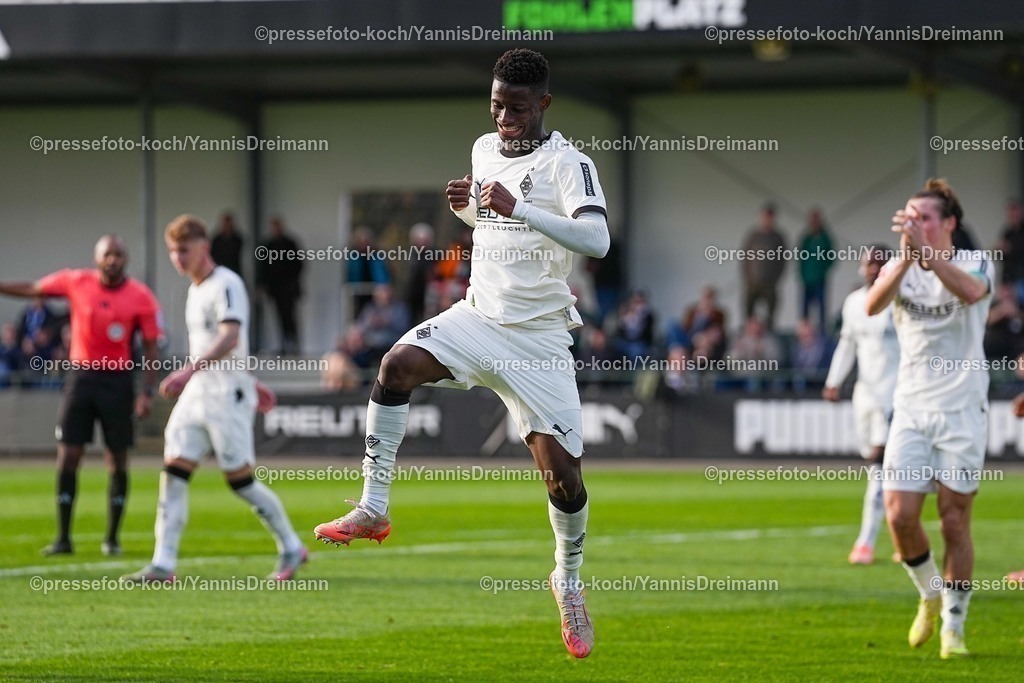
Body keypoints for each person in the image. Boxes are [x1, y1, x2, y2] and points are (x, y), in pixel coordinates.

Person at [314, 48, 608, 659]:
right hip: (478, 319)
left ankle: (569, 582)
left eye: (518, 108)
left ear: (544, 105)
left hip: (539, 340)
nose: (505, 117)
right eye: (497, 105)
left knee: (564, 482)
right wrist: (466, 209)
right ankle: (372, 505)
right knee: (394, 367)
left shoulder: (569, 163)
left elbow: (597, 238)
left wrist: (515, 206)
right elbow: (489, 221)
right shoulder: (481, 148)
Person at [124, 215, 306, 584]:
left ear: (203, 246)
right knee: (173, 472)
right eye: (173, 251)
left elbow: (229, 336)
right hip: (198, 395)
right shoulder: (194, 290)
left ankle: (291, 546)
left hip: (224, 395)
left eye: (183, 250)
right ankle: (163, 563)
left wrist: (192, 370)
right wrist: (248, 378)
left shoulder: (227, 283)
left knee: (240, 482)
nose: (177, 258)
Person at [866, 179, 994, 659]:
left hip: (962, 409)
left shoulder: (973, 263)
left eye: (924, 217)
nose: (914, 223)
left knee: (954, 522)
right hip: (912, 408)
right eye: (909, 216)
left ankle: (954, 626)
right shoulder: (901, 268)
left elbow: (972, 292)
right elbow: (871, 305)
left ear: (949, 224)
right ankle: (928, 593)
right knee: (899, 516)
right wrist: (905, 258)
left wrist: (928, 255)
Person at [0, 236, 162, 556]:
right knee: (68, 455)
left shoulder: (140, 297)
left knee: (116, 458)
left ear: (125, 260)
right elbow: (34, 289)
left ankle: (112, 538)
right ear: (97, 258)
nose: (112, 260)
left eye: (118, 255)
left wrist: (146, 391)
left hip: (117, 381)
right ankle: (63, 538)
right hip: (81, 378)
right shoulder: (77, 282)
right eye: (107, 254)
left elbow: (152, 347)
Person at [822, 245, 899, 565]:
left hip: (896, 394)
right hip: (864, 396)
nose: (873, 269)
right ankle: (906, 534)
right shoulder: (854, 303)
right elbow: (847, 343)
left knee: (878, 466)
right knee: (891, 470)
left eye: (880, 264)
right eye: (869, 263)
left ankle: (865, 541)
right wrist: (833, 380)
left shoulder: (901, 301)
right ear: (860, 267)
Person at [257, 216, 303, 354]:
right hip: (275, 288)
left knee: (290, 316)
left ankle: (293, 344)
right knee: (279, 317)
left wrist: (292, 281)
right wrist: (263, 285)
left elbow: (299, 264)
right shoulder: (268, 245)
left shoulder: (290, 244)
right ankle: (283, 345)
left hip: (288, 288)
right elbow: (263, 267)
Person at [741, 202, 787, 329]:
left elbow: (782, 260)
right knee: (748, 311)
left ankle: (769, 332)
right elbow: (745, 258)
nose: (767, 220)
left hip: (770, 282)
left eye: (770, 217)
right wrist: (747, 277)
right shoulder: (753, 236)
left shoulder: (778, 237)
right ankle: (749, 333)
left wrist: (776, 278)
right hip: (752, 282)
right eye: (765, 216)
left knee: (771, 312)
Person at [797, 208, 835, 327]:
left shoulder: (825, 238)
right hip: (807, 280)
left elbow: (831, 258)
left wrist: (823, 271)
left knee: (822, 309)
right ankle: (804, 332)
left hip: (820, 279)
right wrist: (802, 274)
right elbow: (800, 258)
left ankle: (822, 332)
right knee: (804, 310)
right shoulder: (806, 239)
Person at [210, 211, 244, 277]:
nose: (227, 226)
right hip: (219, 271)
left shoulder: (237, 239)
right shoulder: (216, 240)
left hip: (234, 270)